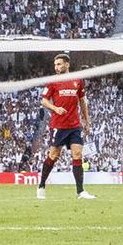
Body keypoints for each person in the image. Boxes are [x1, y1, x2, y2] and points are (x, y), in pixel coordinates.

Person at [36, 52, 95, 200]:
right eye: (55, 65)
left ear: (67, 65)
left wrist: (86, 121)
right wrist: (55, 109)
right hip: (59, 125)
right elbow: (44, 100)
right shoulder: (52, 82)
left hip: (75, 125)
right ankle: (41, 185)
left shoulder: (78, 81)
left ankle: (80, 191)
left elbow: (82, 102)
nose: (56, 67)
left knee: (77, 154)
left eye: (59, 64)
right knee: (54, 156)